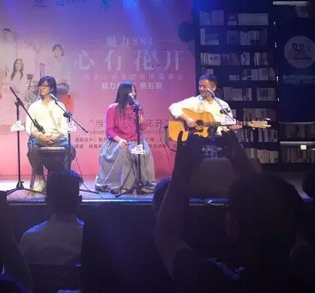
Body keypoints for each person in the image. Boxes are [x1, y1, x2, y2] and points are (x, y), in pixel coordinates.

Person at [155, 130, 315, 292]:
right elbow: (277, 207)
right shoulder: (305, 270)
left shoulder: (217, 283)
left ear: (232, 225)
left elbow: (166, 234)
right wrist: (243, 165)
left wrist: (182, 172)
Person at [95, 82, 156, 194]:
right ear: (124, 92)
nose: (134, 93)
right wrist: (120, 140)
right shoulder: (112, 108)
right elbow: (109, 130)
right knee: (123, 151)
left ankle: (145, 185)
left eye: (135, 91)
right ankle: (123, 185)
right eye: (132, 91)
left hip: (135, 140)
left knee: (141, 152)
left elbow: (143, 128)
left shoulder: (137, 108)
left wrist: (141, 120)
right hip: (118, 140)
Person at [19, 170, 84, 265]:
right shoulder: (91, 237)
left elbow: (16, 269)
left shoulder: (30, 238)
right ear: (79, 201)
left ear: (47, 201)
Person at [25, 76, 75, 192]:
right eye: (40, 85)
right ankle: (42, 180)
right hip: (39, 138)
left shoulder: (59, 106)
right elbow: (29, 128)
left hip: (57, 138)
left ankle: (62, 179)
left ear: (52, 88)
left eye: (45, 86)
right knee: (32, 149)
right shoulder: (34, 107)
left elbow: (64, 127)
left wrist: (56, 136)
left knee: (70, 148)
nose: (41, 88)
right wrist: (41, 136)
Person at [169, 73, 240, 137]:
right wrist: (187, 119)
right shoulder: (194, 101)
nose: (201, 89)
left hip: (219, 138)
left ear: (213, 88)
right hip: (199, 138)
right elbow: (173, 107)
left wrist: (232, 128)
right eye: (199, 86)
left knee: (233, 142)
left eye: (204, 86)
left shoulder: (223, 105)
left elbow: (228, 124)